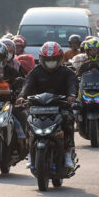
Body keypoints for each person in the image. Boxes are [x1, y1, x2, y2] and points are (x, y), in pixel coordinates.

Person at [17, 42, 78, 170]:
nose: (50, 62)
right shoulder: (36, 72)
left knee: (68, 119)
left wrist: (72, 95)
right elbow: (27, 85)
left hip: (61, 107)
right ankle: (30, 152)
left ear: (60, 59)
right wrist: (22, 96)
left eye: (53, 60)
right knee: (28, 121)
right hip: (38, 107)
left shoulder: (67, 72)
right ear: (42, 59)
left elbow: (72, 84)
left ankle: (67, 152)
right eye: (47, 60)